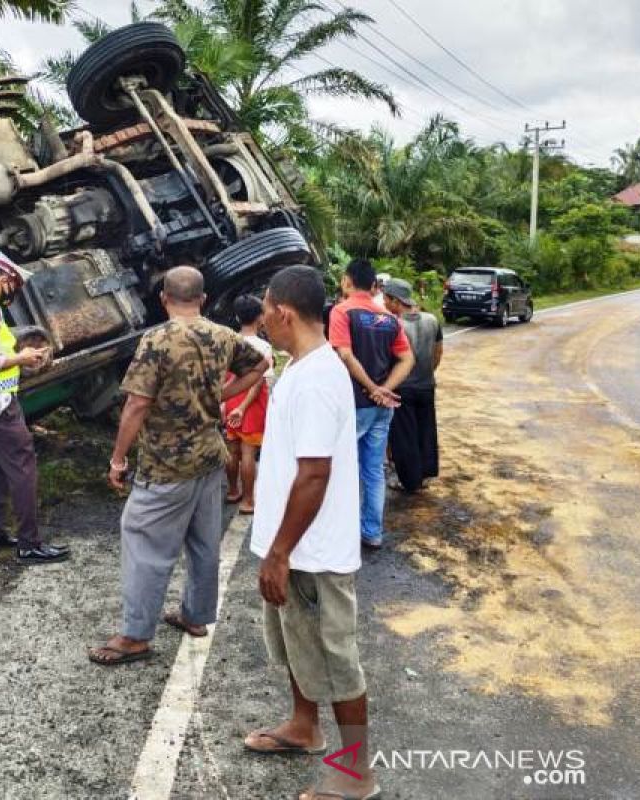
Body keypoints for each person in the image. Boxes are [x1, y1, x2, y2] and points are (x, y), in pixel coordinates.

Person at [244, 265, 378, 800]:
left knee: (336, 662)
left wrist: (279, 552)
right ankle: (303, 726)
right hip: (291, 546)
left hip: (312, 552)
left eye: (265, 307)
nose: (263, 317)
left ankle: (355, 775)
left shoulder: (321, 377)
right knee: (299, 648)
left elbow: (315, 472)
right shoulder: (300, 367)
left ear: (282, 312)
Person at [88, 267, 267, 665]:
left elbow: (137, 403)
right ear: (201, 299)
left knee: (144, 544)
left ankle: (135, 635)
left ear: (164, 299)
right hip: (209, 458)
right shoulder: (223, 335)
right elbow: (259, 366)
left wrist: (118, 458)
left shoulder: (157, 340)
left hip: (166, 465)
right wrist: (223, 394)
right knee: (204, 545)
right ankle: (195, 616)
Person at [0, 248, 69, 564]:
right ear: (3, 280)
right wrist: (23, 357)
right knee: (23, 464)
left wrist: (23, 359)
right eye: (14, 287)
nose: (14, 294)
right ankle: (30, 544)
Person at [328, 258, 414, 548]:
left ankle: (343, 533)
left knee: (344, 469)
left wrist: (371, 388)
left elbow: (344, 354)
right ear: (375, 285)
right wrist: (384, 390)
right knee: (374, 470)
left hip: (353, 405)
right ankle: (372, 532)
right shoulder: (389, 318)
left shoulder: (342, 312)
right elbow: (407, 359)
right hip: (381, 408)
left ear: (347, 281)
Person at [382, 278, 442, 492]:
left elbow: (390, 358)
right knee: (426, 430)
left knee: (404, 435)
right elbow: (438, 352)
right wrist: (427, 372)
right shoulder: (432, 320)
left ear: (396, 301)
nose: (384, 303)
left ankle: (409, 481)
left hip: (403, 388)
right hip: (427, 385)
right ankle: (425, 475)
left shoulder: (393, 324)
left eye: (387, 299)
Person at [223, 295, 273, 515]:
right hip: (251, 405)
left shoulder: (228, 341)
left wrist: (226, 405)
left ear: (236, 316)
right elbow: (259, 380)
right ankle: (248, 500)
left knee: (232, 451)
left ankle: (233, 491)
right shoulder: (263, 347)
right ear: (260, 318)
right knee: (248, 454)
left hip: (231, 400)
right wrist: (243, 408)